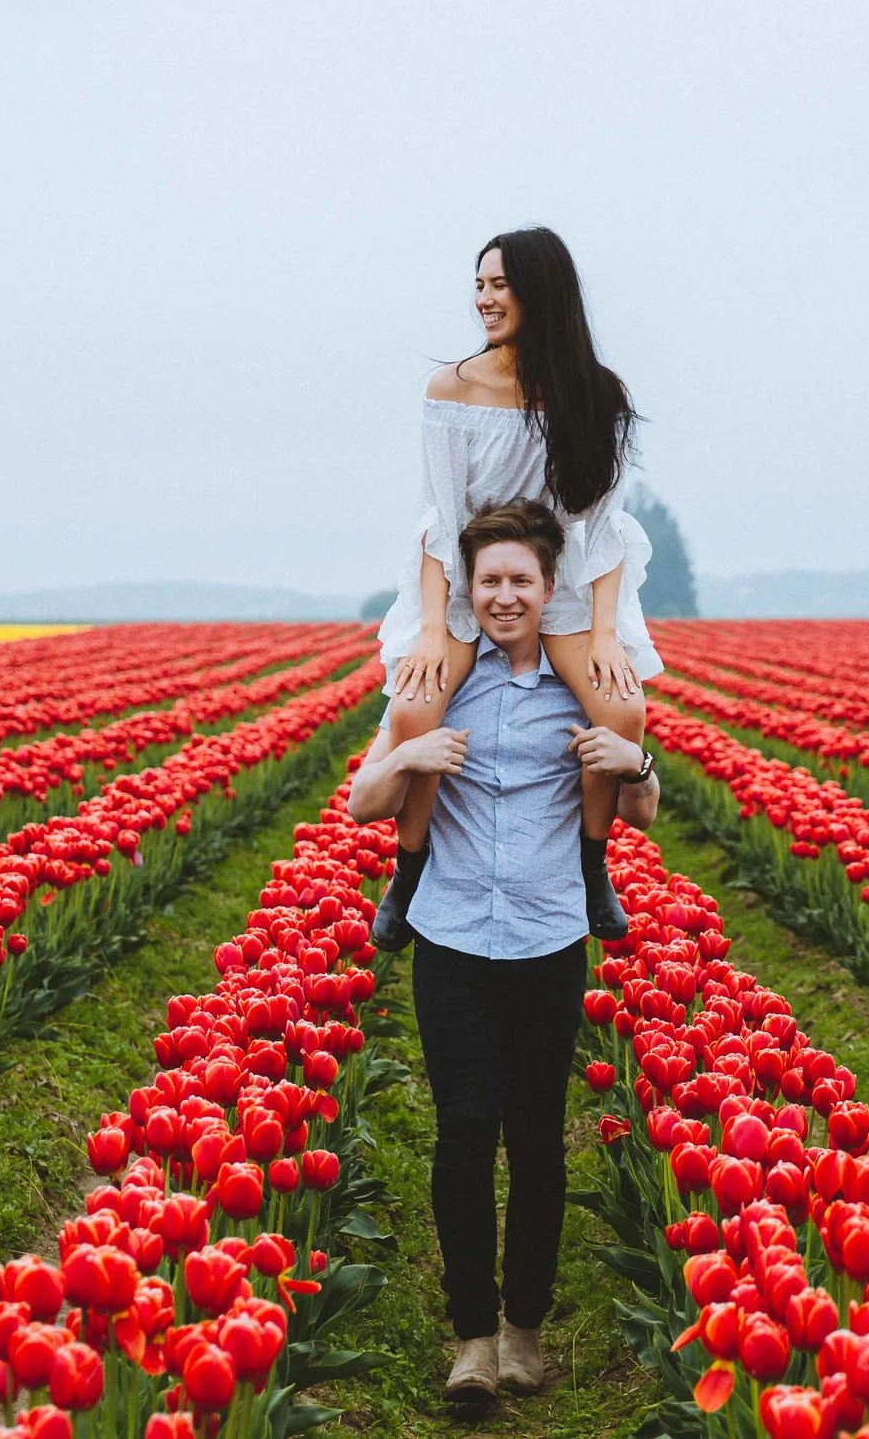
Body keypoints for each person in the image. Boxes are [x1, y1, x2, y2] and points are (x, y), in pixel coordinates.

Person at [347, 497, 659, 1403]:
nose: (505, 596)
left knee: (535, 1138)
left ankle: (525, 1327)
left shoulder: (586, 685)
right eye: (490, 581)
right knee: (463, 1134)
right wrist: (409, 760)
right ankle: (473, 1338)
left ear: (550, 587)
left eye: (521, 579)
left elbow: (643, 809)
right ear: (470, 589)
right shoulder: (435, 685)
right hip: (450, 940)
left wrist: (634, 764)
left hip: (546, 940)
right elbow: (365, 800)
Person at [368, 227, 658, 953]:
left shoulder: (597, 395)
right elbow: (439, 521)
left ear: (541, 291)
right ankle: (409, 870)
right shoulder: (453, 389)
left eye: (500, 285)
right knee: (415, 709)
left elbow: (605, 530)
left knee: (622, 708)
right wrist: (432, 628)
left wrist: (603, 634)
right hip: (465, 579)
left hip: (559, 583)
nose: (485, 299)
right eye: (480, 285)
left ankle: (592, 866)